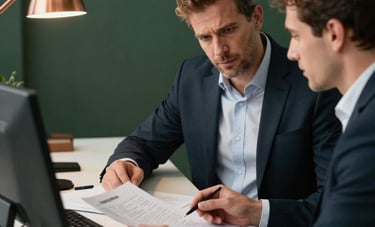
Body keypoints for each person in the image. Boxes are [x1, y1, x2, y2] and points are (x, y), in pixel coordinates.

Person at [101, 0, 342, 226]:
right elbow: (144, 142)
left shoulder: (315, 84)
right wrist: (125, 163)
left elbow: (336, 202)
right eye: (205, 37)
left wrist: (257, 212)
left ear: (256, 18)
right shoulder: (192, 78)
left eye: (228, 30)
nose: (219, 51)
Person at [190, 0, 375, 226]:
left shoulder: (366, 134)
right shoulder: (360, 115)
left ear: (334, 34)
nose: (291, 53)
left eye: (296, 36)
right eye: (205, 38)